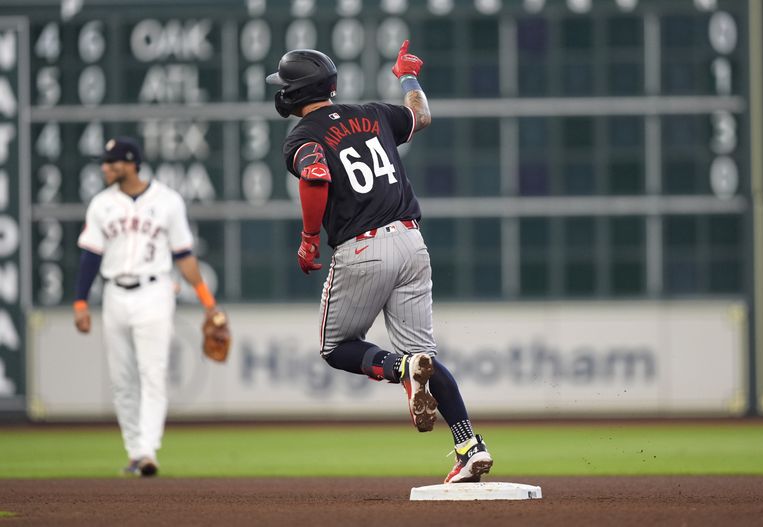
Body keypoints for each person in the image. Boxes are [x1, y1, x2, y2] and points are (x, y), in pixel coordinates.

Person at [266, 41, 493, 483]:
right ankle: (469, 447)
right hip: (411, 240)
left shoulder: (302, 136)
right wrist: (407, 74)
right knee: (424, 353)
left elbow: (314, 173)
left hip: (362, 247)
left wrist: (310, 239)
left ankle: (401, 370)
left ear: (294, 93)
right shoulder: (372, 113)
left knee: (337, 348)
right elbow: (421, 115)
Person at [72, 136, 220, 477]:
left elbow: (183, 256)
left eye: (111, 162)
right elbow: (90, 257)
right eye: (105, 162)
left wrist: (208, 303)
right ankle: (135, 450)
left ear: (130, 163)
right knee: (122, 378)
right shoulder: (100, 204)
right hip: (114, 294)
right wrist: (80, 301)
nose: (105, 168)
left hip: (154, 291)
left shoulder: (168, 201)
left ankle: (147, 451)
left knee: (152, 373)